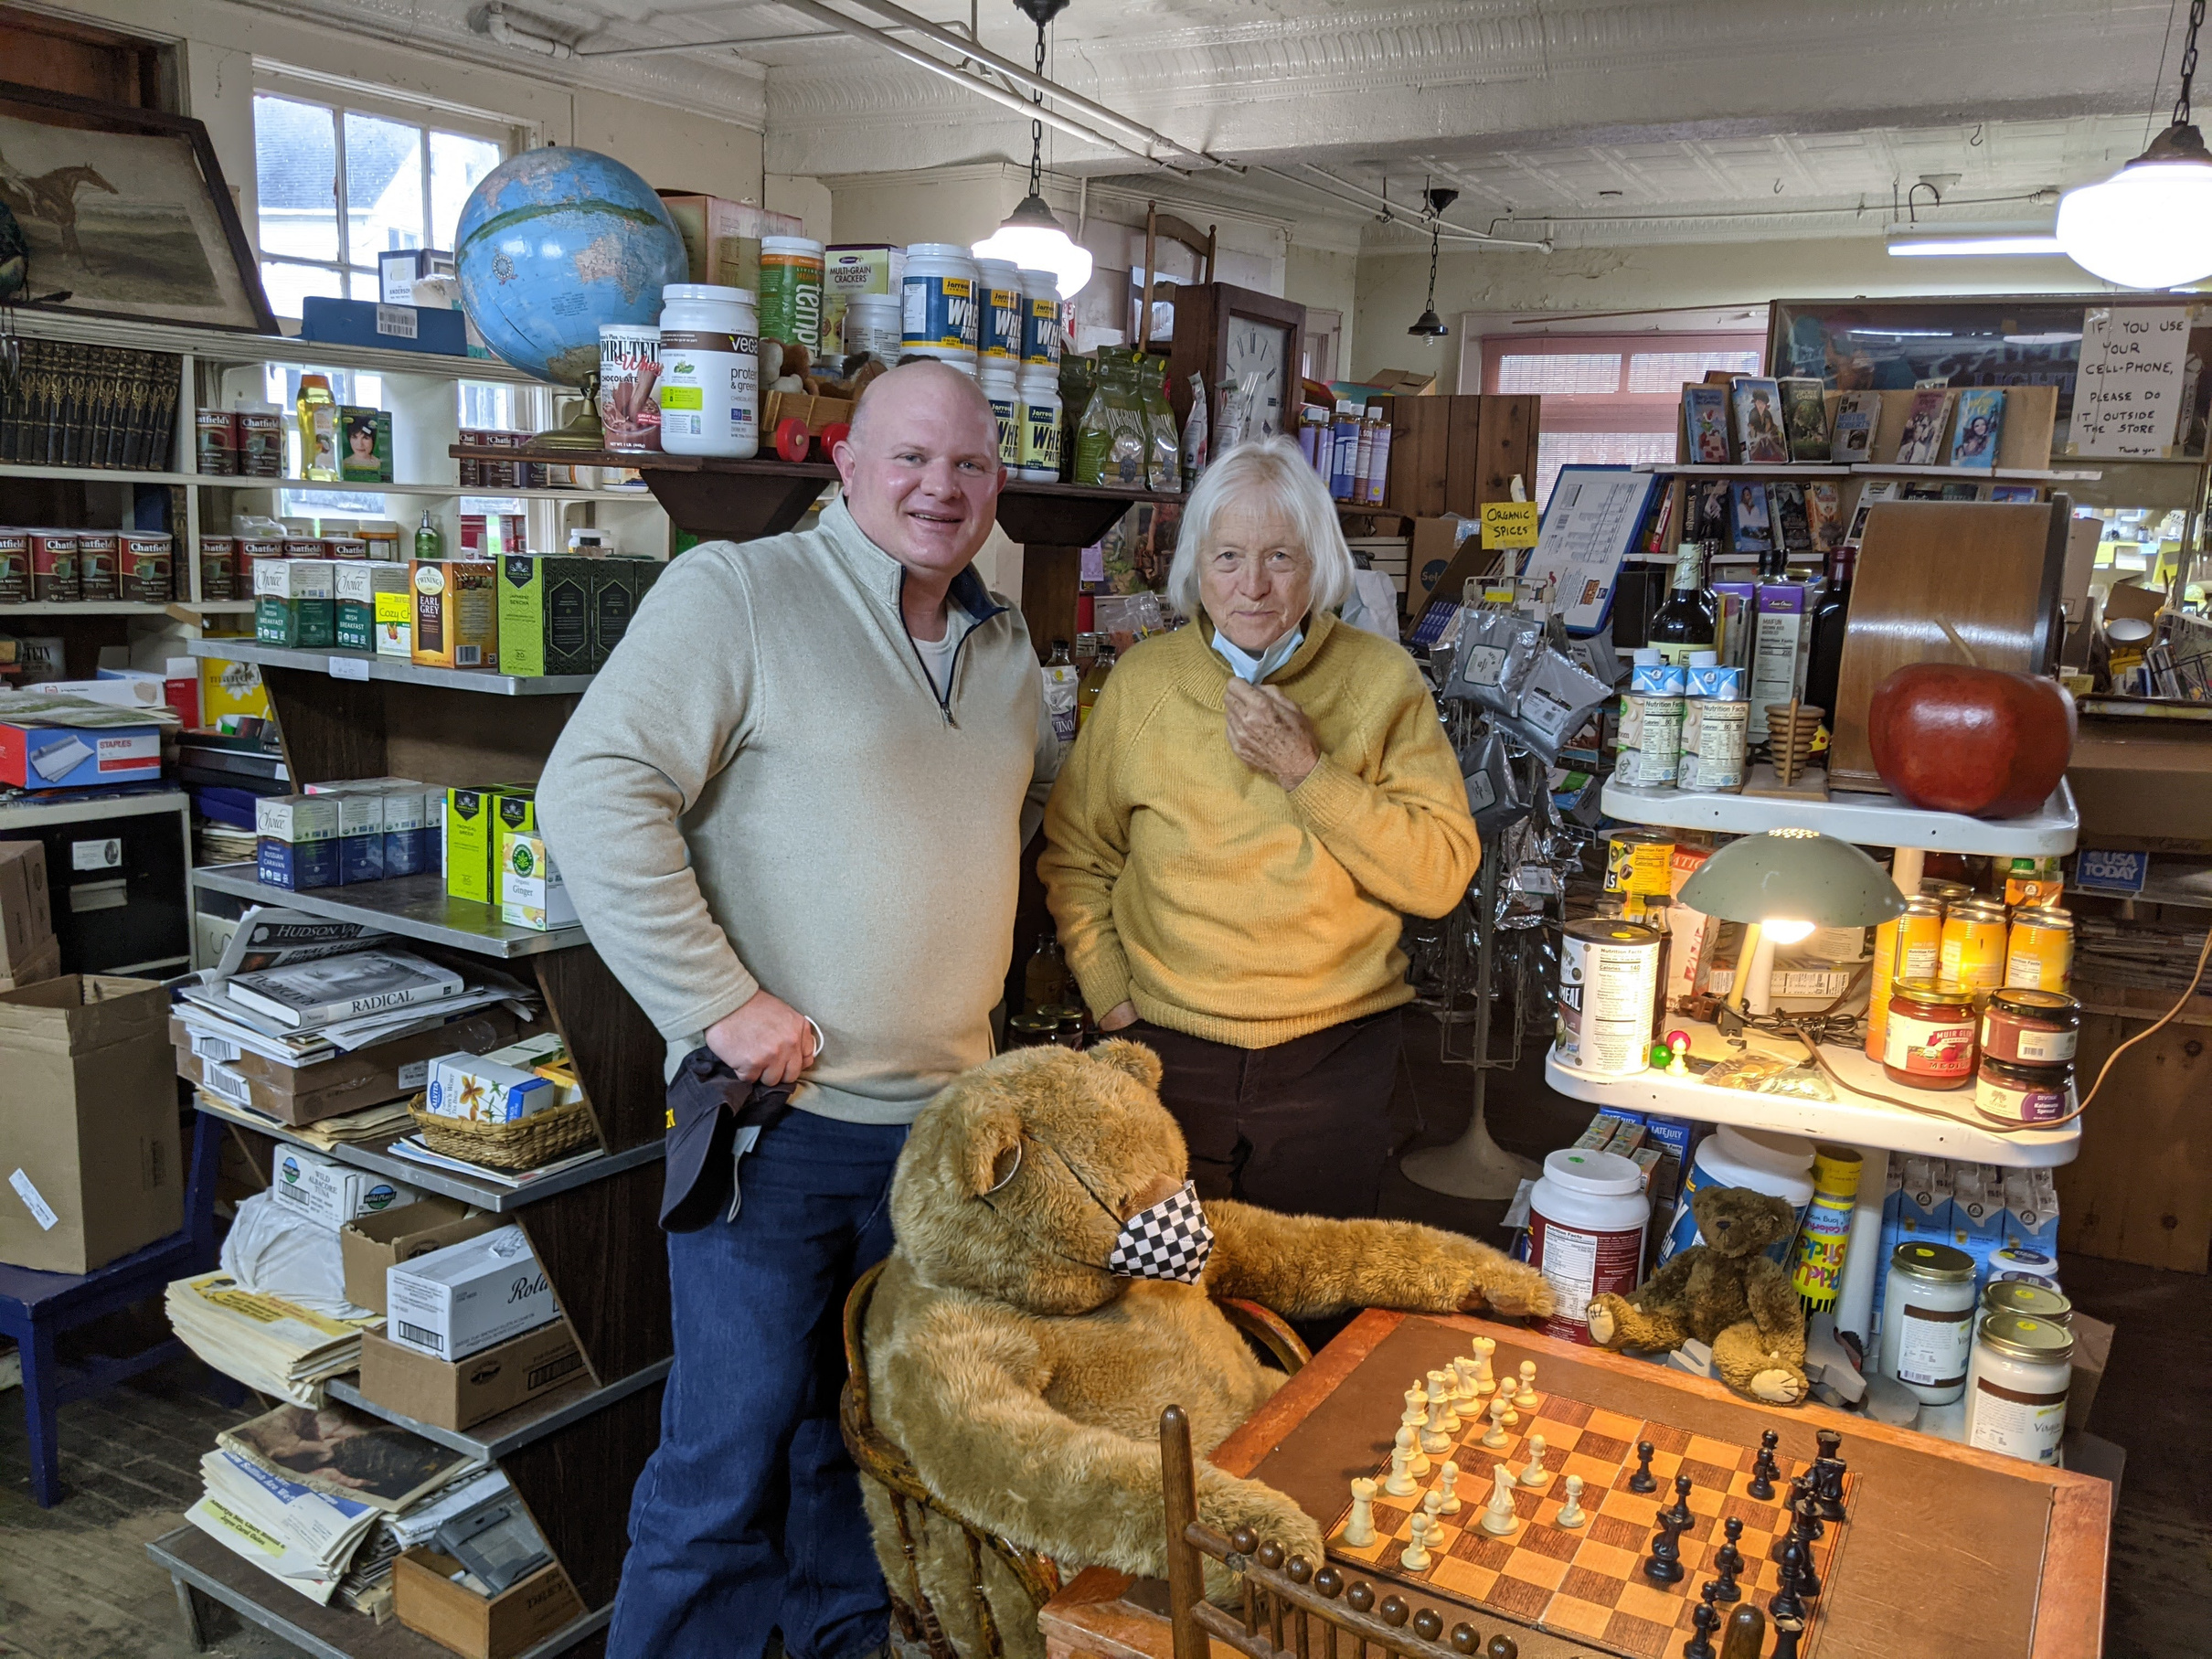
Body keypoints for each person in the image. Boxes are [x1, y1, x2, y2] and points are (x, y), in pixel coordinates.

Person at [538, 361, 1059, 1659]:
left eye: (972, 465)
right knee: (727, 1454)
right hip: (776, 1123)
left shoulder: (1007, 647)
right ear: (846, 462)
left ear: (1000, 482)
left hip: (941, 1141)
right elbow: (592, 790)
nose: (941, 488)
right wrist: (720, 1001)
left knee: (866, 1444)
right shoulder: (739, 591)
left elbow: (1009, 827)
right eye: (910, 458)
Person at [1038, 435, 1479, 1219]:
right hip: (1166, 1050)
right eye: (1229, 556)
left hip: (1334, 1056)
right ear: (1195, 566)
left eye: (1280, 556)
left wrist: (1308, 773)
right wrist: (1112, 998)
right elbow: (1076, 857)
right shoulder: (1144, 682)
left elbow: (1441, 876)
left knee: (1313, 1302)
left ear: (1318, 565)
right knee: (1168, 1303)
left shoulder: (1381, 681)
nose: (1252, 586)